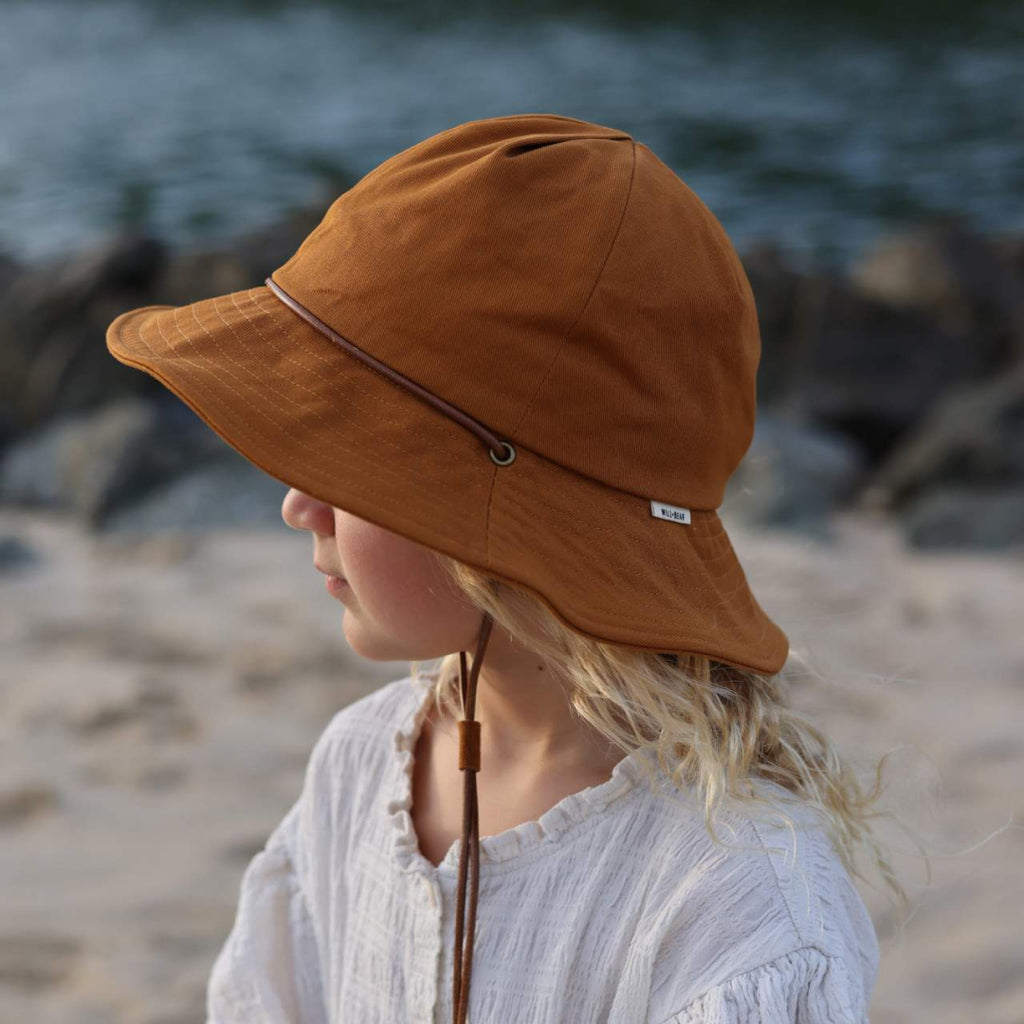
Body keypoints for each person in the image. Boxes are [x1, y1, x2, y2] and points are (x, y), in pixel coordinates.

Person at [105, 113, 902, 1022]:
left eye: (349, 464)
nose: (298, 505)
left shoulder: (734, 901)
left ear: (505, 529)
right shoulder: (361, 768)